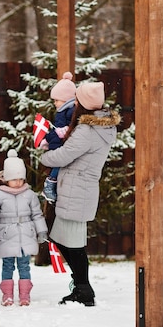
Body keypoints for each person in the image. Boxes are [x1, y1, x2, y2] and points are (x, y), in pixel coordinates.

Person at [40, 81, 120, 306]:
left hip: (76, 190)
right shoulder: (101, 126)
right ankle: (81, 287)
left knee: (72, 244)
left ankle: (84, 290)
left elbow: (65, 154)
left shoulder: (87, 130)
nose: (73, 102)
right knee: (64, 240)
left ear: (84, 104)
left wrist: (43, 156)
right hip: (80, 189)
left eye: (77, 99)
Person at [0, 149, 48, 306]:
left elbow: (37, 214)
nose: (18, 182)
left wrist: (41, 230)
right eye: (14, 179)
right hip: (7, 236)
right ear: (6, 178)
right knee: (8, 266)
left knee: (24, 266)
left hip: (26, 235)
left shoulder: (29, 194)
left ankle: (25, 295)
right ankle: (7, 295)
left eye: (21, 178)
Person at [41, 71, 76, 203]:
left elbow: (66, 128)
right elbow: (57, 130)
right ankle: (51, 186)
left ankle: (50, 184)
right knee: (58, 165)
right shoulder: (63, 110)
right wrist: (48, 139)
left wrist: (64, 131)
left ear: (66, 99)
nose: (55, 103)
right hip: (59, 143)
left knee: (59, 165)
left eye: (56, 100)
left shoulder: (70, 111)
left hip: (62, 144)